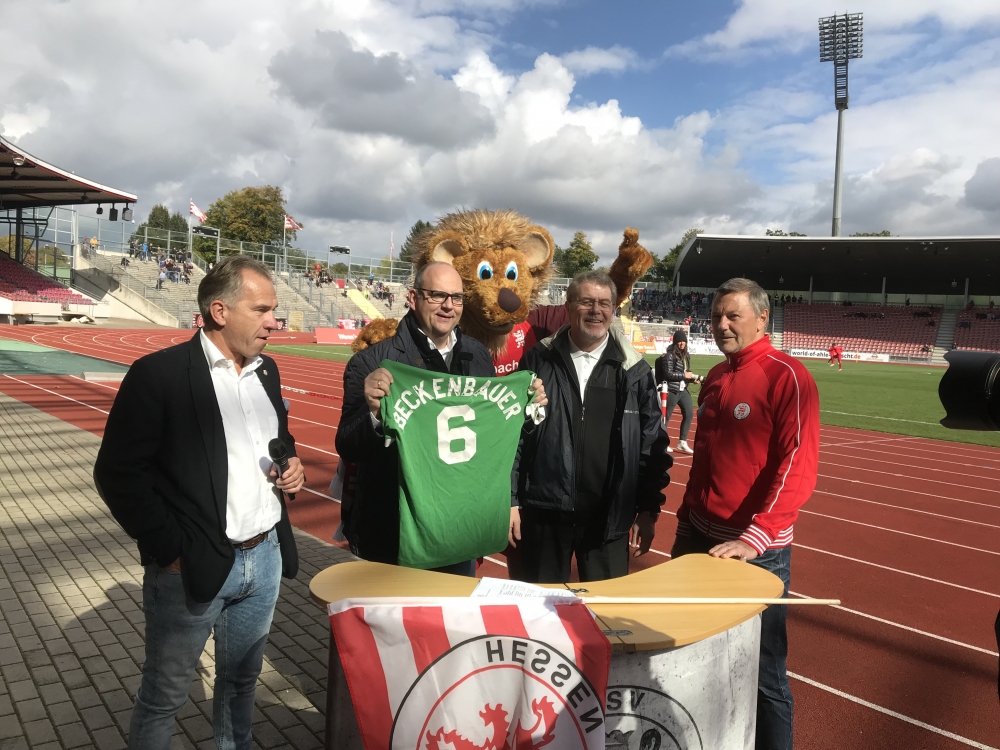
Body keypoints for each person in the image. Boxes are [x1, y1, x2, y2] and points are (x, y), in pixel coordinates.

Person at [93, 255, 304, 750]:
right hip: (192, 564)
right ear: (219, 311)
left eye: (274, 310)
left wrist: (290, 463)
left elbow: (279, 438)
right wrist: (170, 549)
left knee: (241, 683)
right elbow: (117, 473)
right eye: (262, 310)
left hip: (265, 556)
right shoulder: (159, 374)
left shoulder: (267, 371)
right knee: (164, 695)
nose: (274, 322)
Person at [670, 277, 819, 750]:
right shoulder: (716, 375)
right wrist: (685, 520)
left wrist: (755, 538)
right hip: (699, 538)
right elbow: (705, 460)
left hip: (756, 552)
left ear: (761, 318)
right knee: (693, 657)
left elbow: (798, 465)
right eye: (717, 316)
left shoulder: (788, 376)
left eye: (733, 316)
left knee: (763, 673)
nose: (721, 325)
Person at [336, 261, 545, 575]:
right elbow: (348, 445)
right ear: (413, 298)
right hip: (395, 535)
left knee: (455, 607)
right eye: (437, 295)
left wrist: (528, 410)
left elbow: (491, 435)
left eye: (457, 297)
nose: (448, 306)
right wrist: (373, 413)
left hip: (458, 531)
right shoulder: (372, 362)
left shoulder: (477, 355)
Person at [509, 270, 669, 583]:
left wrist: (649, 510)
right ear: (568, 306)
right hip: (544, 513)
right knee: (541, 608)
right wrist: (511, 501)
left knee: (605, 610)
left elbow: (651, 443)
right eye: (586, 302)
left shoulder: (634, 371)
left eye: (604, 303)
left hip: (608, 518)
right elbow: (515, 436)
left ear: (613, 310)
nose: (596, 311)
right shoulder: (537, 361)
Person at [654, 330, 701, 454]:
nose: (682, 343)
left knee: (689, 413)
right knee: (666, 417)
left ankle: (682, 442)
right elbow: (668, 374)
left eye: (684, 341)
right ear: (675, 342)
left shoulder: (686, 356)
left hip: (683, 389)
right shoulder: (669, 356)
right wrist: (684, 376)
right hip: (671, 389)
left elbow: (684, 373)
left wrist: (691, 379)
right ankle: (662, 443)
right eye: (679, 341)